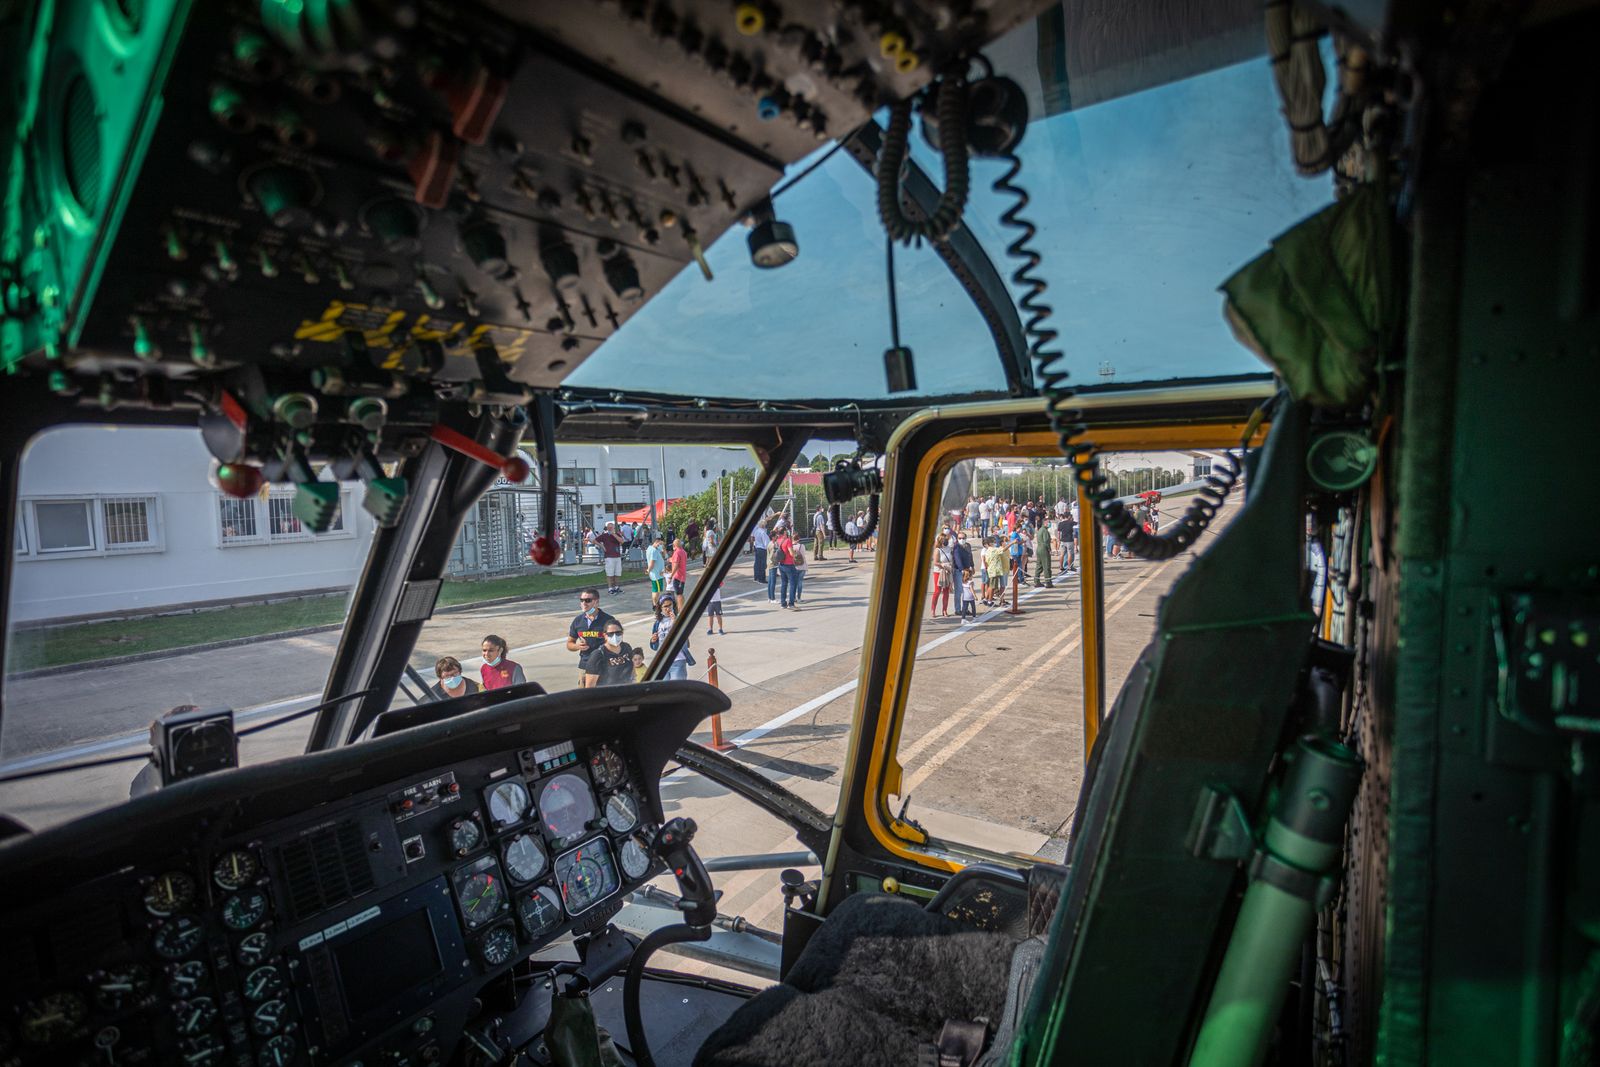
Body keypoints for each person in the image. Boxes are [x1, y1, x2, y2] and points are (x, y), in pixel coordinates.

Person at [566, 588, 617, 688]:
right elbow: (569, 644)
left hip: (604, 666)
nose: (584, 603)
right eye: (582, 600)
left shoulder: (608, 620)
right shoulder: (578, 621)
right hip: (585, 666)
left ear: (596, 602)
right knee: (584, 698)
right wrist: (577, 646)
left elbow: (616, 644)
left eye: (588, 600)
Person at [649, 594, 693, 680]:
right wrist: (653, 640)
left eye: (670, 605)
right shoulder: (658, 623)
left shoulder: (679, 620)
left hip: (677, 661)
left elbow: (686, 643)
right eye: (665, 606)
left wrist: (675, 623)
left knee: (677, 691)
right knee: (666, 691)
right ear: (660, 608)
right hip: (662, 663)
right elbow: (655, 647)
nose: (668, 608)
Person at [585, 621, 637, 686]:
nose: (615, 636)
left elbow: (632, 670)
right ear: (605, 635)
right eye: (610, 634)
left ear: (622, 633)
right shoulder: (597, 655)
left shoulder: (626, 647)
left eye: (618, 633)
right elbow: (590, 686)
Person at [596, 521, 624, 595]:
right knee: (610, 573)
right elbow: (594, 540)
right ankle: (610, 588)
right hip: (609, 557)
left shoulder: (617, 534)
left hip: (617, 556)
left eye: (611, 527)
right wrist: (602, 546)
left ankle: (616, 587)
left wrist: (614, 534)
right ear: (607, 528)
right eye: (609, 527)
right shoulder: (604, 535)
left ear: (614, 528)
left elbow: (622, 541)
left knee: (617, 573)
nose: (610, 528)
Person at [930, 532, 953, 617]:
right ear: (940, 541)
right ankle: (933, 610)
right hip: (939, 572)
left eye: (946, 539)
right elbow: (935, 562)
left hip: (947, 571)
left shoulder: (949, 548)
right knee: (937, 591)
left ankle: (944, 610)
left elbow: (952, 559)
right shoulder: (937, 550)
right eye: (944, 539)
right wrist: (942, 565)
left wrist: (950, 566)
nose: (946, 541)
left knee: (946, 591)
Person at [646, 535, 667, 606]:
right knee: (656, 591)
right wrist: (648, 570)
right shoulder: (653, 550)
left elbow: (665, 555)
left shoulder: (654, 548)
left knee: (656, 590)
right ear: (656, 542)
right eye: (660, 544)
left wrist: (663, 547)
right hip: (656, 574)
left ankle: (655, 604)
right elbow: (652, 562)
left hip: (659, 574)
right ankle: (655, 605)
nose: (661, 545)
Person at [750, 518, 770, 583]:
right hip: (762, 549)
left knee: (757, 563)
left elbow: (754, 539)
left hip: (757, 547)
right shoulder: (763, 532)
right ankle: (762, 578)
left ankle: (756, 577)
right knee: (763, 564)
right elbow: (766, 543)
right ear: (763, 525)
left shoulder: (756, 531)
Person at [1036, 518, 1054, 588]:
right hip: (1044, 549)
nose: (1049, 523)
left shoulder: (1040, 530)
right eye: (1048, 522)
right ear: (1045, 523)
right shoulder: (1045, 531)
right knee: (1046, 566)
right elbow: (1046, 541)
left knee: (1039, 566)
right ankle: (1048, 582)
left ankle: (1036, 581)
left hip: (1039, 549)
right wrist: (1049, 549)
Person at [789, 535, 806, 606]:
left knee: (793, 583)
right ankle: (799, 598)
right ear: (798, 539)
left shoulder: (790, 547)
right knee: (800, 582)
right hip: (802, 566)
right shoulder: (802, 546)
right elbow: (804, 555)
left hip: (794, 567)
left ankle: (793, 598)